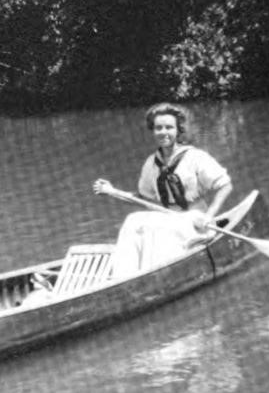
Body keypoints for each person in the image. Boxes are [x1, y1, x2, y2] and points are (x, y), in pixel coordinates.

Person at [93, 103, 233, 277]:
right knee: (132, 221)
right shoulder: (151, 163)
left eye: (169, 127)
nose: (163, 132)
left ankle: (157, 275)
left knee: (157, 227)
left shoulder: (195, 157)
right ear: (153, 131)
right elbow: (142, 198)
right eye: (158, 128)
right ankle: (123, 277)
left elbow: (225, 185)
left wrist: (209, 216)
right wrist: (113, 191)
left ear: (178, 130)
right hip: (167, 217)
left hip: (196, 220)